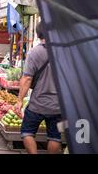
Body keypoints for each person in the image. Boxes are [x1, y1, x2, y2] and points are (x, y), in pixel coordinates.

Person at [14, 23, 62, 154]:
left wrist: (19, 101)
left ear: (38, 34)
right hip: (58, 105)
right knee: (55, 137)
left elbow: (27, 79)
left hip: (37, 104)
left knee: (27, 132)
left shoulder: (35, 52)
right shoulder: (63, 52)